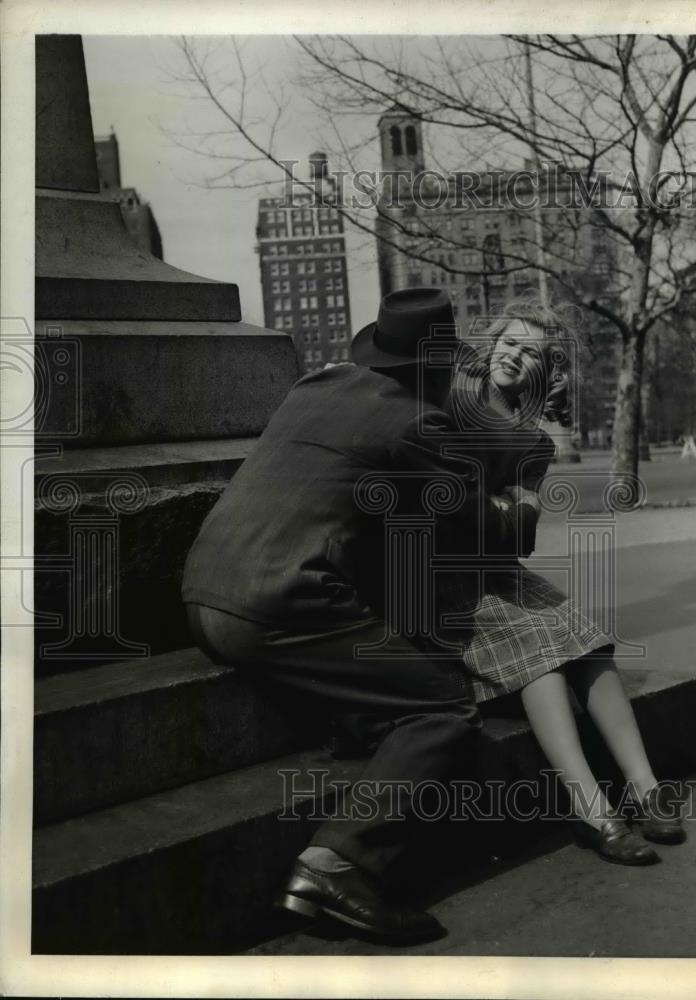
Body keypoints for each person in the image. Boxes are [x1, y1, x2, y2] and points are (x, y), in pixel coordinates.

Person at [181, 288, 527, 944]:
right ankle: (337, 865)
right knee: (442, 706)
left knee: (383, 673)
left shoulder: (315, 386)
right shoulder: (415, 422)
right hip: (277, 607)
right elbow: (484, 528)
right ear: (434, 367)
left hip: (202, 595)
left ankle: (363, 726)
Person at [435, 296, 685, 865]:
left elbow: (519, 536)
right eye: (509, 343)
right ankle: (595, 813)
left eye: (531, 353)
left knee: (586, 637)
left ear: (543, 372)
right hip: (440, 579)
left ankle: (646, 788)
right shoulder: (450, 399)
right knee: (541, 652)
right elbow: (449, 505)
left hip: (496, 569)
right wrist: (498, 506)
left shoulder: (536, 441)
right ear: (491, 344)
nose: (514, 357)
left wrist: (499, 507)